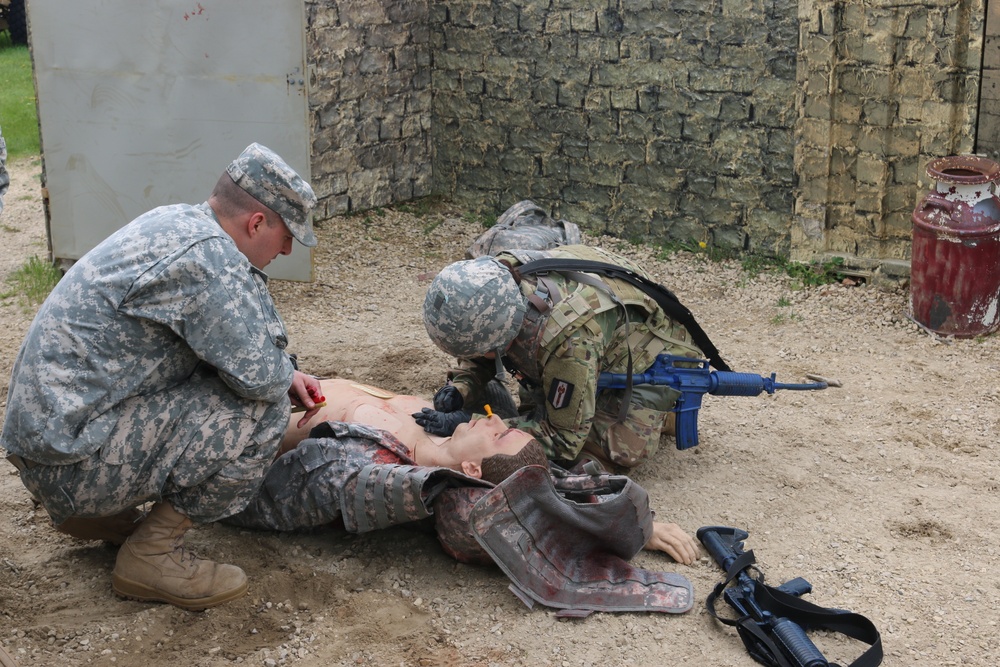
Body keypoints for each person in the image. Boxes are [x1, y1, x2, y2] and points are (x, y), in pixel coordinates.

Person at [1, 142, 325, 611]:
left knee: (245, 380)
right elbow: (259, 379)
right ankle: (151, 555)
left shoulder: (178, 223)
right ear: (257, 222)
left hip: (51, 440)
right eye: (287, 233)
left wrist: (286, 370)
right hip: (71, 460)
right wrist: (283, 377)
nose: (289, 248)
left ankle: (97, 514)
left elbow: (219, 345)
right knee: (262, 409)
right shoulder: (211, 261)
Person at [228, 378, 700, 566]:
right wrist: (634, 521)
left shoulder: (383, 466)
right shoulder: (445, 436)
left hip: (237, 406)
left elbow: (525, 504)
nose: (495, 420)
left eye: (497, 433)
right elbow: (546, 474)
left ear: (471, 468)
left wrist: (613, 534)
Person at [418, 243, 719, 473]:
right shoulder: (497, 282)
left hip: (657, 354)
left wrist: (468, 421)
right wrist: (462, 387)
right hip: (603, 339)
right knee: (536, 407)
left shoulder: (569, 341)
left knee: (616, 449)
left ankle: (662, 414)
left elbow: (563, 440)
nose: (476, 355)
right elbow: (484, 347)